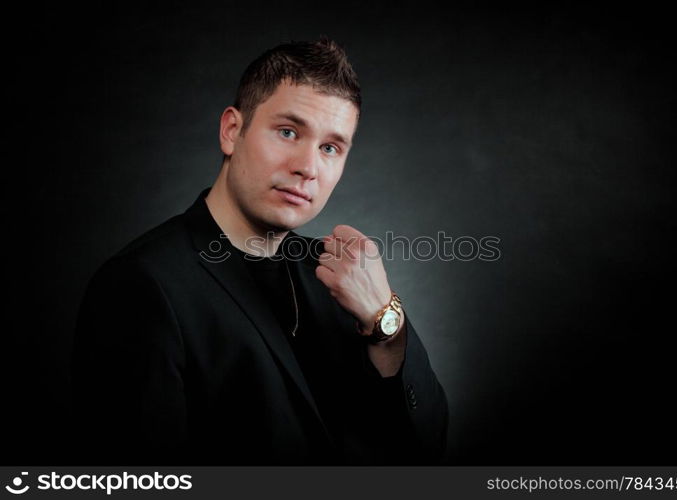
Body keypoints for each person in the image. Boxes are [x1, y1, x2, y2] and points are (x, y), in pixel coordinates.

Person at [71, 37, 448, 465]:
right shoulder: (140, 286)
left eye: (330, 147)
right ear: (232, 131)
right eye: (288, 132)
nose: (308, 167)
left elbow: (426, 448)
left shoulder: (339, 277)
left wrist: (385, 321)